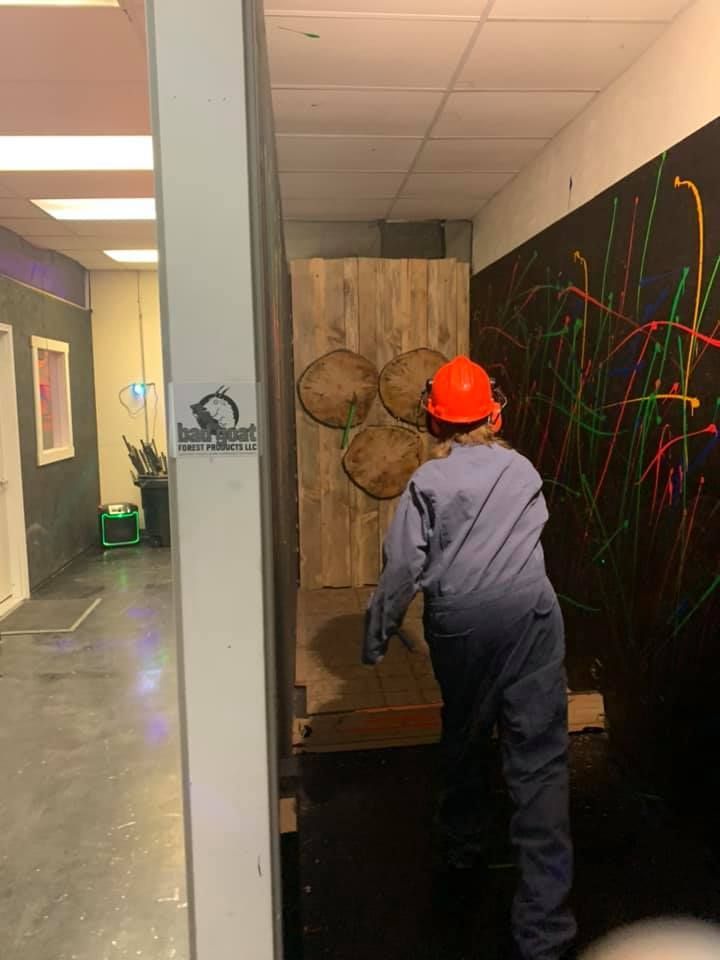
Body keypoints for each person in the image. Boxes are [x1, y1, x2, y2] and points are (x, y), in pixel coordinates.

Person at [363, 356, 576, 960]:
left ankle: (463, 847)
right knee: (539, 764)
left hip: (463, 625)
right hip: (533, 616)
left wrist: (377, 632)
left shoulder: (427, 484)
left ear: (433, 422)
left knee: (463, 734)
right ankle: (546, 933)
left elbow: (403, 566)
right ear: (494, 414)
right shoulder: (523, 470)